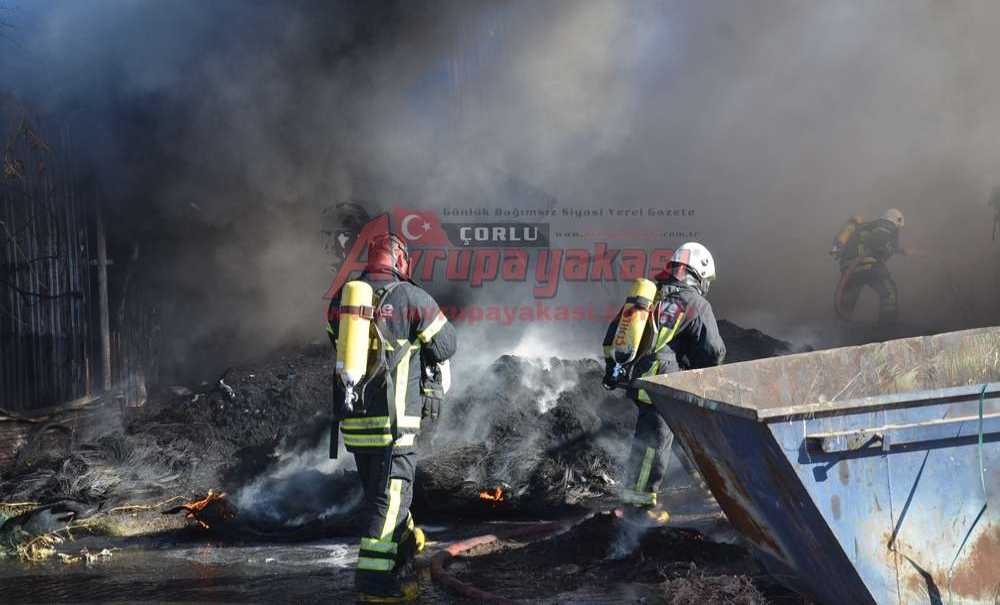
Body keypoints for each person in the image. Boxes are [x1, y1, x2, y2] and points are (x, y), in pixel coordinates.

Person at [327, 232, 457, 603]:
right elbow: (447, 344)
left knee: (381, 496)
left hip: (355, 422)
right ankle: (375, 582)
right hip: (394, 424)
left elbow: (334, 339)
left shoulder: (343, 297)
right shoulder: (412, 297)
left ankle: (405, 541)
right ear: (401, 261)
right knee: (392, 496)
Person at [602, 242, 726, 521]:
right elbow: (713, 350)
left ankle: (710, 496)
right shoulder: (695, 303)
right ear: (699, 274)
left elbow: (614, 334)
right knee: (652, 444)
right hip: (665, 383)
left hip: (639, 377)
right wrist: (704, 376)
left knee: (679, 436)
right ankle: (638, 507)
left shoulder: (649, 295)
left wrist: (614, 368)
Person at [831, 208, 908, 324]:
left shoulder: (864, 227)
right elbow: (878, 239)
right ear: (895, 221)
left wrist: (901, 250)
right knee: (889, 293)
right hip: (869, 265)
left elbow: (872, 241)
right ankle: (887, 329)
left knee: (847, 301)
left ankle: (842, 329)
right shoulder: (886, 225)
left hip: (850, 269)